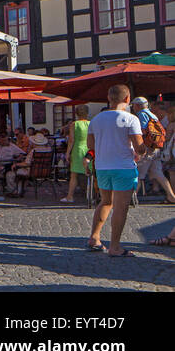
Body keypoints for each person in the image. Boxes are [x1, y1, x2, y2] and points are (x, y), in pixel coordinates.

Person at [87, 85, 145, 257]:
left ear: (109, 98)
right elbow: (139, 148)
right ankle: (115, 246)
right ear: (127, 99)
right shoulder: (130, 119)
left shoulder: (96, 119)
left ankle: (94, 237)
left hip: (102, 166)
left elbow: (91, 146)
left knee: (105, 201)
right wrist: (146, 146)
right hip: (123, 167)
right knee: (121, 208)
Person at [130, 97, 175, 203]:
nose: (133, 108)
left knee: (139, 173)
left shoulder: (141, 114)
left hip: (148, 148)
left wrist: (139, 147)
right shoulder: (152, 115)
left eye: (134, 105)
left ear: (138, 105)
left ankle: (131, 198)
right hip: (156, 147)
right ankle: (172, 196)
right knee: (158, 173)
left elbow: (142, 131)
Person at [61, 106, 91, 203]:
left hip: (78, 149)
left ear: (77, 114)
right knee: (91, 173)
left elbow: (71, 140)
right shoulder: (91, 124)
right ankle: (91, 195)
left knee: (74, 175)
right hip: (89, 149)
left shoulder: (74, 124)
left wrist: (67, 153)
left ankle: (70, 196)